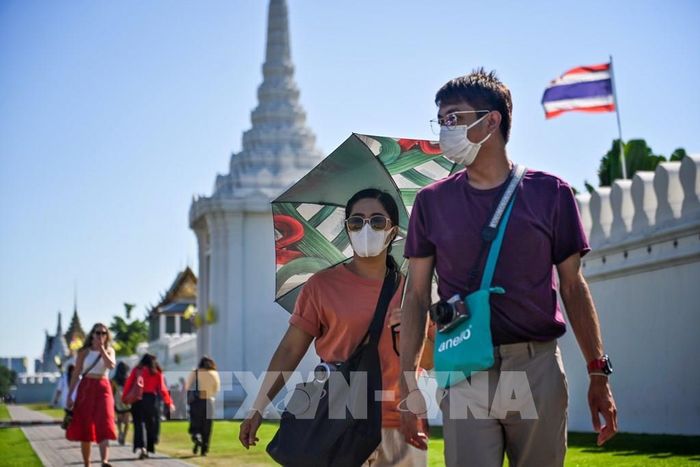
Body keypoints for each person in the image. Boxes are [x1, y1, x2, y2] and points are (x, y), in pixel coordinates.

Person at [397, 69, 619, 467]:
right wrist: (407, 381)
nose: (444, 130)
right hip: (465, 367)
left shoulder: (550, 193)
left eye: (454, 118)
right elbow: (415, 296)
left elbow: (572, 286)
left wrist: (598, 372)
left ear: (491, 121)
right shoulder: (431, 202)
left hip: (535, 366)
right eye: (441, 120)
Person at [239, 188, 429, 466]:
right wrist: (258, 406)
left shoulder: (413, 291)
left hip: (401, 422)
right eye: (356, 222)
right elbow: (290, 349)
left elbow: (433, 359)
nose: (366, 228)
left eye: (377, 221)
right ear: (347, 229)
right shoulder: (321, 286)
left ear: (393, 231)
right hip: (340, 423)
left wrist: (411, 330)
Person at [65, 323, 117, 467]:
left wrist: (101, 349)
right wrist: (70, 395)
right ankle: (87, 463)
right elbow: (76, 374)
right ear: (92, 334)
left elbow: (110, 365)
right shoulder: (84, 352)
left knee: (105, 422)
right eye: (98, 333)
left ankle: (104, 461)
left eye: (104, 333)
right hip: (86, 387)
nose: (101, 336)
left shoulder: (110, 350)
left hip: (103, 387)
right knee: (85, 426)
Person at [122, 353, 174, 459]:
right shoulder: (156, 372)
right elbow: (162, 389)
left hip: (137, 399)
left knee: (138, 424)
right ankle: (149, 445)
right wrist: (169, 402)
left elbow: (129, 383)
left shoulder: (137, 370)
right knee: (150, 425)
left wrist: (125, 397)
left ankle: (142, 447)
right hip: (151, 400)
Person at [185, 356, 221, 456]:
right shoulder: (214, 373)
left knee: (195, 424)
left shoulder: (195, 372)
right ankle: (204, 449)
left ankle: (197, 437)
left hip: (196, 402)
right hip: (209, 402)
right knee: (207, 427)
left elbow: (187, 386)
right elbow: (216, 389)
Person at [110, 361, 131, 445]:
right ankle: (124, 436)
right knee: (127, 420)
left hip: (117, 402)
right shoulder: (128, 379)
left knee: (119, 419)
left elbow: (112, 392)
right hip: (127, 402)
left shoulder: (113, 380)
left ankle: (120, 432)